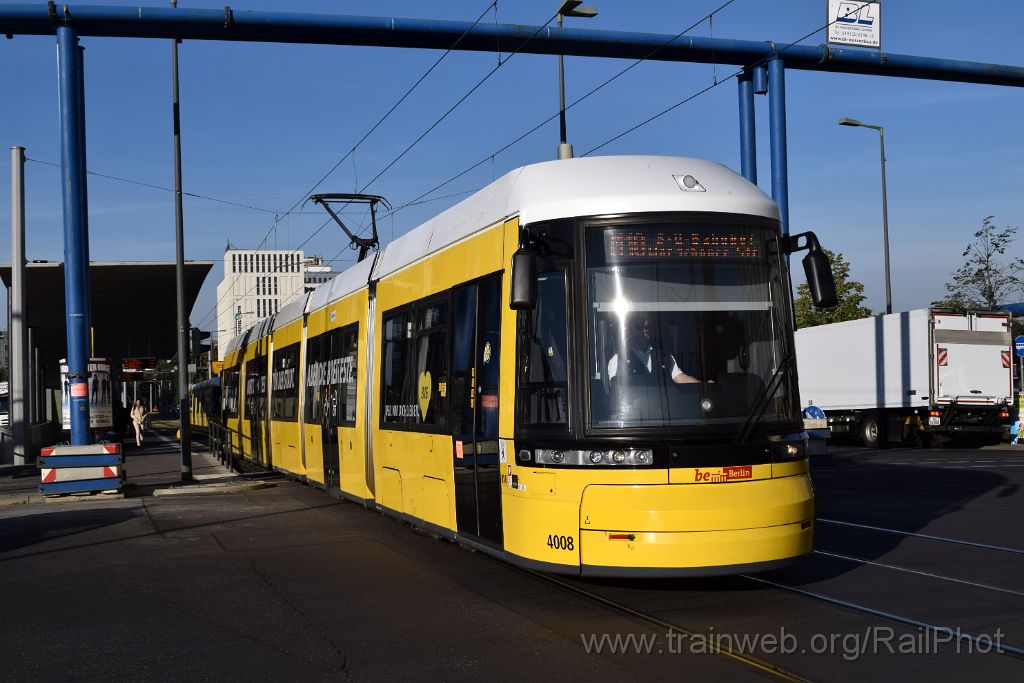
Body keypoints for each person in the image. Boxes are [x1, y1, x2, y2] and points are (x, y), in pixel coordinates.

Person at [607, 314, 706, 384]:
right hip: (634, 412)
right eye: (640, 327)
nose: (645, 330)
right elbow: (616, 391)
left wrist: (705, 386)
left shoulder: (665, 357)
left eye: (648, 326)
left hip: (661, 412)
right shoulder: (619, 359)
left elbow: (680, 378)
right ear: (630, 330)